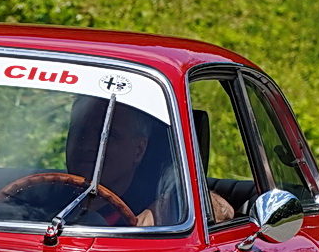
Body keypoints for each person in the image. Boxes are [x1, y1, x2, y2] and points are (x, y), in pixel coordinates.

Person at [62, 96, 234, 227]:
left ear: (139, 149)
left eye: (108, 136)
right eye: (80, 131)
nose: (88, 145)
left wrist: (164, 209)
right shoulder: (43, 194)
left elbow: (221, 210)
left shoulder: (150, 203)